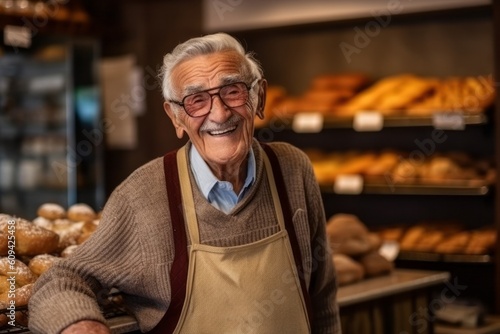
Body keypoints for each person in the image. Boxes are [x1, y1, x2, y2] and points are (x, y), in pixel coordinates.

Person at [28, 32, 341, 334]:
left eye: (233, 91)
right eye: (196, 100)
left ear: (259, 97)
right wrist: (82, 325)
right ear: (176, 117)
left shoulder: (293, 168)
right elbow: (62, 280)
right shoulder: (143, 196)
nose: (219, 114)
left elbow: (322, 299)